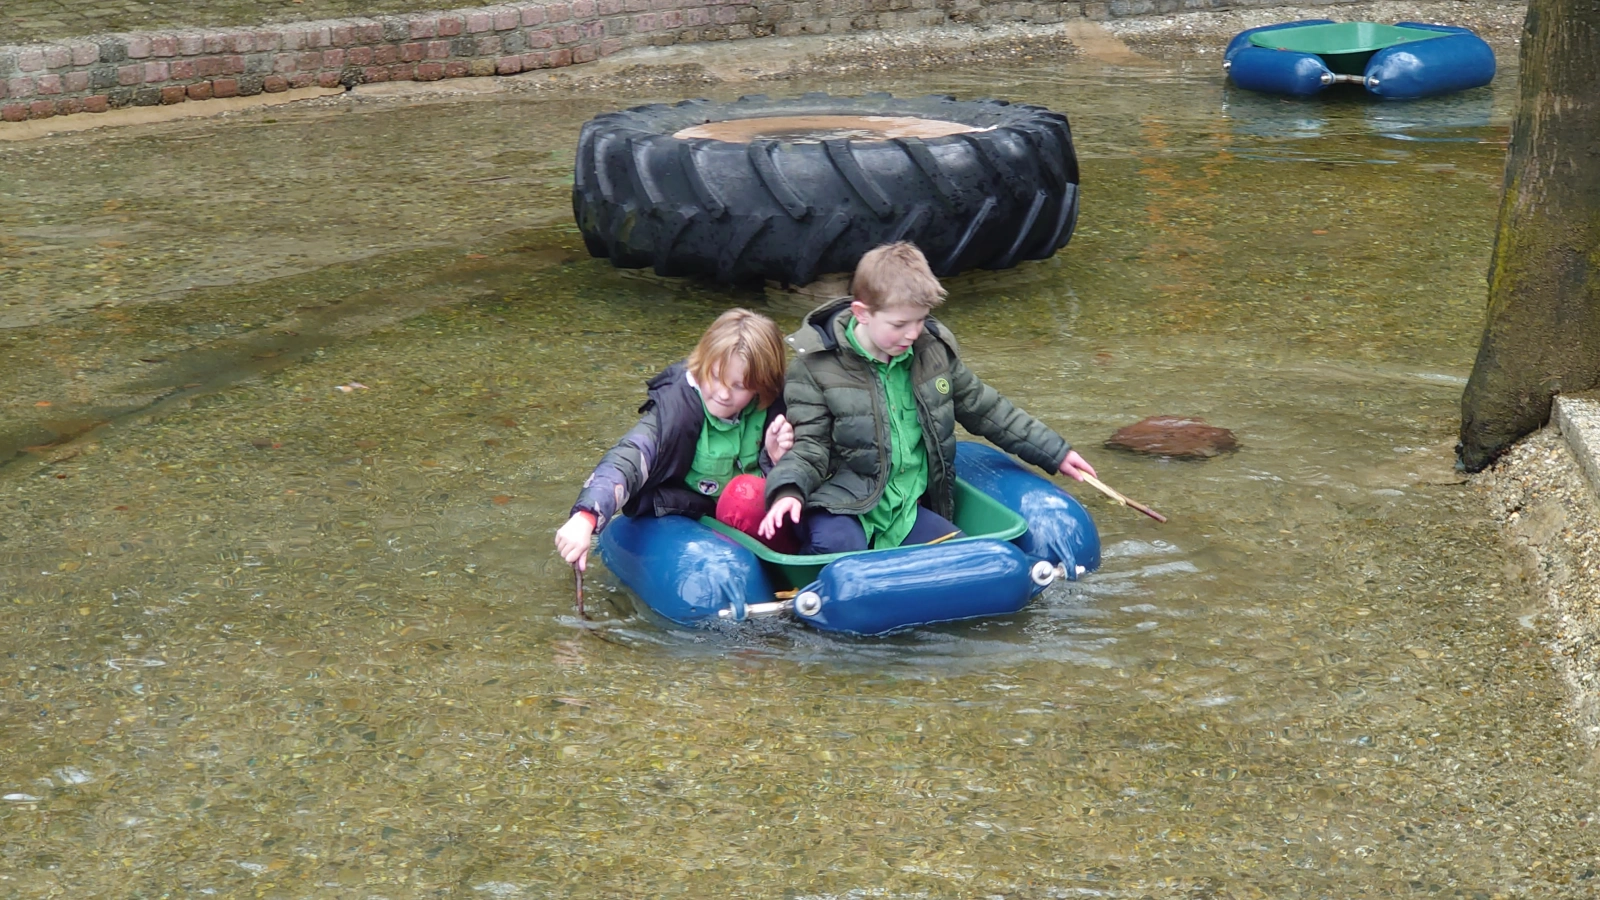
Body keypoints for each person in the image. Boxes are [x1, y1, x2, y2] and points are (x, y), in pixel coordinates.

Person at [758, 241, 1096, 554]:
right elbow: (809, 447)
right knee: (839, 549)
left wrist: (1055, 451)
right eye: (900, 323)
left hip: (905, 508)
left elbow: (988, 410)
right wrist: (788, 491)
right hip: (842, 504)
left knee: (962, 558)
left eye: (920, 320)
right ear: (862, 313)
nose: (912, 333)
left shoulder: (932, 354)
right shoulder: (815, 368)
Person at [555, 308, 796, 572]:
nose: (723, 394)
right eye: (715, 377)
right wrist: (586, 516)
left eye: (739, 386)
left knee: (747, 495)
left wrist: (776, 459)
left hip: (757, 523)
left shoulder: (779, 410)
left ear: (762, 384)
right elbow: (628, 459)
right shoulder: (676, 410)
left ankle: (786, 566)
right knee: (741, 495)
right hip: (694, 516)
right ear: (702, 365)